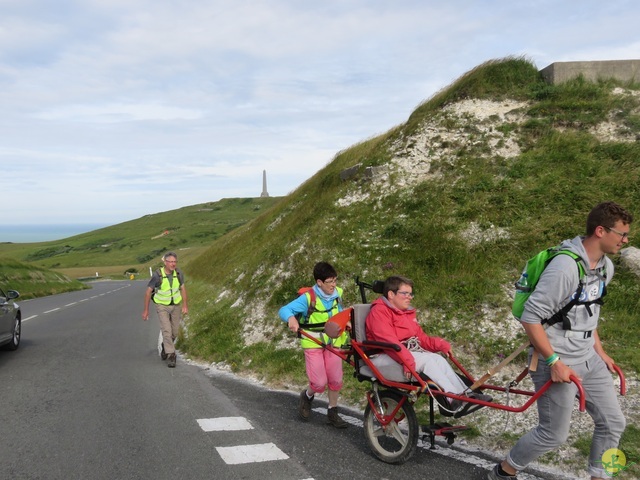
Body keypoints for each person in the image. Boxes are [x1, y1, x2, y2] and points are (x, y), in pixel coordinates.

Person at [488, 201, 632, 480]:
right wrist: (553, 361)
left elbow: (588, 311)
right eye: (622, 234)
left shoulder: (606, 268)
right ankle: (503, 472)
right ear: (601, 231)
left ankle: (602, 476)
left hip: (588, 357)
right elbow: (530, 317)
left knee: (614, 422)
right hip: (557, 357)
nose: (625, 241)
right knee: (553, 434)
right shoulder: (565, 267)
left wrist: (600, 351)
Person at [365, 275, 492, 415]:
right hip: (382, 355)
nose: (409, 297)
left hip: (400, 353)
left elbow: (420, 338)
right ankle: (452, 399)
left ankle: (465, 395)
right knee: (428, 361)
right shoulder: (379, 312)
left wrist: (441, 344)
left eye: (410, 293)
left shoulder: (404, 313)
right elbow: (388, 341)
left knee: (438, 359)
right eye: (405, 293)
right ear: (391, 294)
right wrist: (406, 361)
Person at [279, 261, 351, 428]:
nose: (334, 285)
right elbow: (284, 310)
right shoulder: (308, 298)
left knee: (335, 379)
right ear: (319, 282)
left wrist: (346, 322)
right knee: (318, 384)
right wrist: (290, 319)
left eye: (335, 280)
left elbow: (339, 312)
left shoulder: (338, 293)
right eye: (330, 282)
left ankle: (333, 412)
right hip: (313, 342)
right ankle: (307, 395)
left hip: (333, 341)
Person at [142, 251, 189, 368]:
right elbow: (148, 292)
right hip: (162, 305)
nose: (173, 264)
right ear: (165, 262)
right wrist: (146, 310)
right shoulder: (157, 275)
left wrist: (185, 305)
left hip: (176, 305)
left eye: (175, 262)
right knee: (166, 330)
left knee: (174, 332)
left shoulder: (179, 273)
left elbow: (183, 289)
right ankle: (171, 355)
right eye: (171, 262)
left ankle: (165, 346)